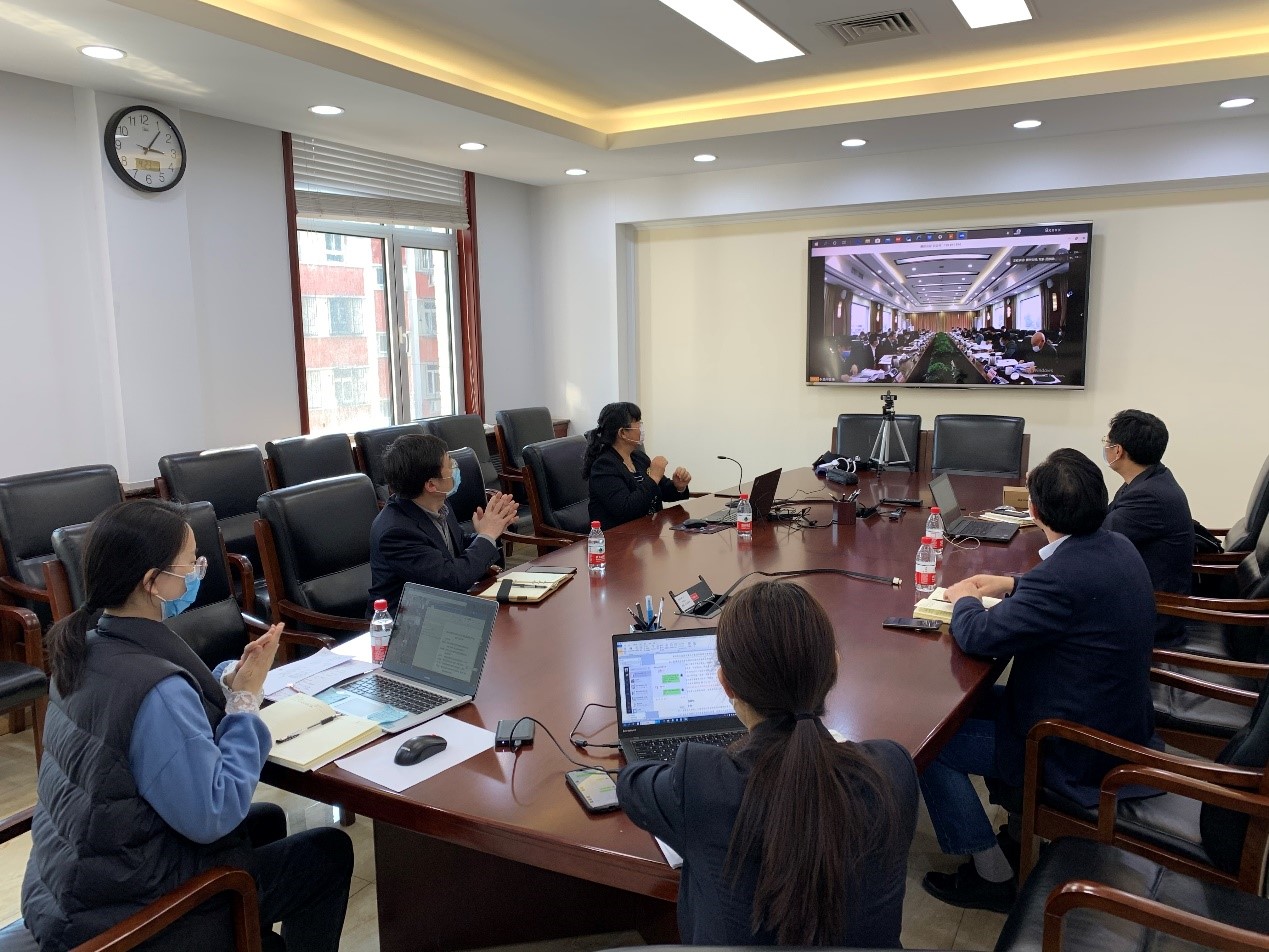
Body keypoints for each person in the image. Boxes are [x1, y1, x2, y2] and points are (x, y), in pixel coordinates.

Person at [22, 500, 353, 952]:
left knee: (267, 819)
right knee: (327, 854)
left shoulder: (85, 647)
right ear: (152, 582)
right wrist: (243, 705)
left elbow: (152, 733)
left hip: (71, 886)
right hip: (124, 919)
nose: (199, 572)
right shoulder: (157, 690)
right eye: (191, 563)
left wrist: (227, 684)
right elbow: (215, 811)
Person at [919, 449, 1159, 913]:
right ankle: (1016, 833)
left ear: (1034, 510)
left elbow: (979, 636)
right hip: (1110, 714)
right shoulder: (1115, 545)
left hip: (1071, 746)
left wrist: (965, 597)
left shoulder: (1062, 578)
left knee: (933, 744)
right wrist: (1010, 583)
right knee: (964, 706)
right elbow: (1067, 590)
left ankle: (992, 876)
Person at [618, 582, 918, 946]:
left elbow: (631, 783)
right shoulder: (893, 769)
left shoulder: (701, 783)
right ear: (834, 667)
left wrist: (726, 756)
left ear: (725, 685)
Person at [368, 433, 518, 613]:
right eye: (450, 464)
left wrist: (487, 531)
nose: (455, 467)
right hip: (407, 620)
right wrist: (487, 535)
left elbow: (453, 549)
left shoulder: (438, 504)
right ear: (431, 485)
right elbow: (452, 580)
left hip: (442, 608)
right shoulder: (396, 532)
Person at [1101, 409, 1194, 644]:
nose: (1105, 447)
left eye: (1107, 442)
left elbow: (1099, 538)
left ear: (1118, 451)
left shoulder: (1148, 495)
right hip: (1143, 594)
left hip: (1153, 614)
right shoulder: (1151, 478)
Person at [584, 402, 691, 530]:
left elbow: (662, 491)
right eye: (638, 423)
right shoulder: (604, 467)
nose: (641, 428)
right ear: (622, 433)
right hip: (620, 537)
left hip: (648, 533)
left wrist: (678, 486)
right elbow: (626, 509)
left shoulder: (639, 457)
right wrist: (654, 477)